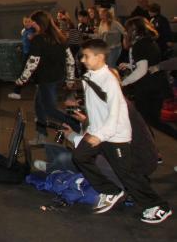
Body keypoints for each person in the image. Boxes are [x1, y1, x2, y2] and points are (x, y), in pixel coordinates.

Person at [72, 39, 172, 224]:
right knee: (79, 156)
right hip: (99, 132)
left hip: (115, 135)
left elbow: (116, 114)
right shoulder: (89, 77)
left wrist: (99, 136)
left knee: (127, 174)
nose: (83, 60)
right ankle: (110, 191)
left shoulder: (109, 81)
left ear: (99, 57)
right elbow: (96, 109)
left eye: (86, 56)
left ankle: (159, 206)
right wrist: (92, 130)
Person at [15, 10, 80, 145]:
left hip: (46, 79)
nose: (31, 24)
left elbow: (33, 62)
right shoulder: (59, 37)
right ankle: (41, 135)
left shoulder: (39, 39)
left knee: (50, 109)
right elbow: (70, 60)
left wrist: (22, 79)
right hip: (56, 78)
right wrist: (70, 78)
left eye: (33, 22)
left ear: (38, 23)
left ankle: (77, 124)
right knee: (39, 107)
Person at [119, 17, 177, 140]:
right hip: (155, 87)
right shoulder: (149, 42)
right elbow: (147, 64)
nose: (125, 32)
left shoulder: (140, 45)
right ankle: (151, 147)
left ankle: (149, 147)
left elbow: (142, 70)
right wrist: (130, 65)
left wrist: (122, 83)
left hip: (148, 89)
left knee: (143, 121)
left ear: (134, 30)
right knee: (150, 121)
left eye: (127, 29)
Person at [9, 16, 36, 100]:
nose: (27, 23)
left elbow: (31, 38)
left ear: (32, 22)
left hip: (32, 55)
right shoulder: (24, 31)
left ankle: (17, 92)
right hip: (26, 54)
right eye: (25, 22)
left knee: (23, 73)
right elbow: (25, 41)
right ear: (23, 22)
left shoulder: (33, 31)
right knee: (25, 73)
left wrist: (33, 34)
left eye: (29, 21)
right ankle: (17, 92)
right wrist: (21, 47)